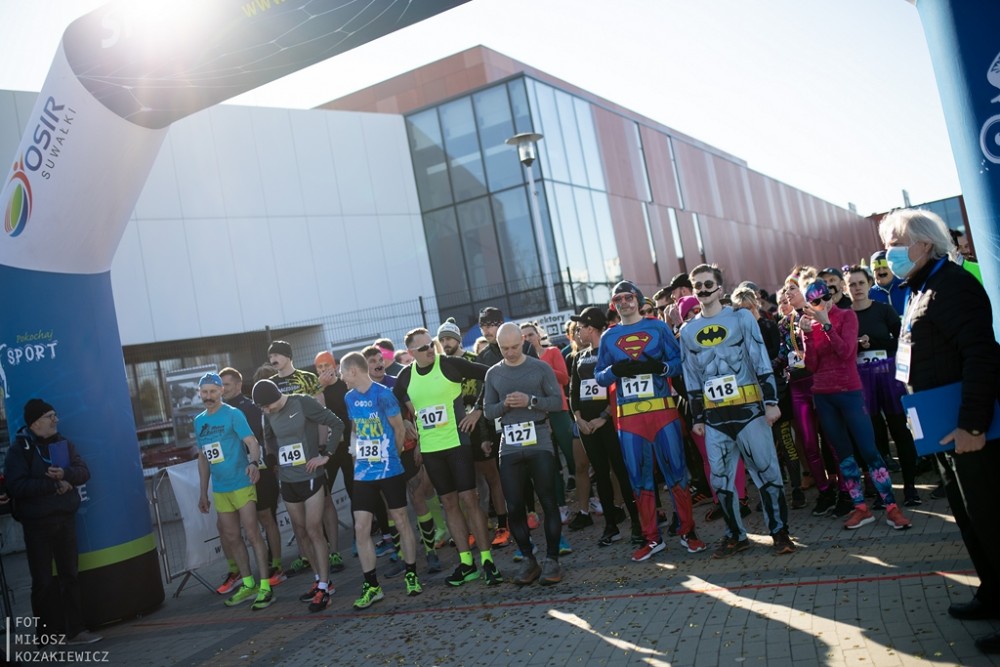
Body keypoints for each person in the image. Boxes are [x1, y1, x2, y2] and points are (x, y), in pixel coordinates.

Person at [879, 209, 1000, 654]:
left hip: (968, 430)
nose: (888, 252)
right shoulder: (917, 288)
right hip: (940, 427)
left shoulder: (953, 285)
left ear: (925, 244)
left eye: (895, 242)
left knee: (993, 519)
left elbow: (981, 356)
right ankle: (993, 593)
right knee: (970, 519)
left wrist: (973, 424)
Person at [679, 265, 794, 557]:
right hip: (716, 418)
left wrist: (771, 402)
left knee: (767, 472)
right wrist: (697, 417)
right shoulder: (688, 331)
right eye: (698, 285)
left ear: (719, 288)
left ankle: (779, 533)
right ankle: (735, 535)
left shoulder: (741, 318)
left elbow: (760, 359)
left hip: (750, 411)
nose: (703, 290)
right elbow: (691, 376)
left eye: (708, 284)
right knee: (720, 480)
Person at [595, 280, 706, 562]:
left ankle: (688, 532)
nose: (624, 302)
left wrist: (660, 367)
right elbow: (599, 376)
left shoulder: (657, 328)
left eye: (628, 297)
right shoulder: (609, 337)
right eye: (618, 299)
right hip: (630, 420)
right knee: (639, 478)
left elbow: (679, 362)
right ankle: (652, 538)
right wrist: (615, 371)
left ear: (638, 299)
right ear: (613, 305)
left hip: (663, 414)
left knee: (676, 473)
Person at [394, 327, 503, 586]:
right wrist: (405, 421)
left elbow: (492, 373)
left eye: (431, 344)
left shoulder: (449, 364)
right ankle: (466, 563)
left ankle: (487, 561)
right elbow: (393, 400)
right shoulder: (405, 376)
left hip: (457, 444)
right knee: (449, 503)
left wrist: (478, 410)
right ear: (411, 352)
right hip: (431, 450)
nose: (430, 350)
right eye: (423, 348)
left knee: (469, 500)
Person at [800, 279, 912, 531]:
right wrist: (807, 335)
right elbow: (811, 365)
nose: (822, 304)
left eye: (826, 297)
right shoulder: (809, 325)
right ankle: (861, 507)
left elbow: (846, 352)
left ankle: (891, 507)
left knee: (869, 450)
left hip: (850, 392)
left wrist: (827, 325)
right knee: (844, 455)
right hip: (824, 396)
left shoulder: (846, 316)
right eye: (815, 301)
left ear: (832, 296)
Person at [6, 399, 102, 644]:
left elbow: (84, 471)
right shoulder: (19, 450)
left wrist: (66, 474)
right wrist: (52, 484)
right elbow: (15, 486)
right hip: (37, 525)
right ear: (36, 422)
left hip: (65, 519)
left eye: (55, 415)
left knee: (70, 576)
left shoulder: (63, 443)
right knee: (43, 582)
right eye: (50, 416)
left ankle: (76, 630)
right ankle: (46, 637)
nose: (56, 419)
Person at [483, 323, 566, 585]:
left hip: (539, 439)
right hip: (509, 443)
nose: (510, 352)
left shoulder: (540, 367)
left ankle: (552, 559)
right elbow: (488, 411)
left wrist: (531, 401)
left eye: (514, 347)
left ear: (523, 341)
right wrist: (504, 404)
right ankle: (529, 559)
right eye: (504, 348)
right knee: (514, 506)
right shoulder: (493, 373)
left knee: (548, 500)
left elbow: (557, 402)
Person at [252, 378, 345, 612]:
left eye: (267, 406)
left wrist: (326, 455)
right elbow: (268, 439)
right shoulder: (267, 414)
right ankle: (319, 580)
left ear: (275, 397)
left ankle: (324, 587)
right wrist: (273, 460)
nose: (266, 411)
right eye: (262, 408)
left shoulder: (302, 402)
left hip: (311, 475)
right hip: (287, 480)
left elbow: (337, 423)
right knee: (301, 531)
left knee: (314, 529)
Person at [339, 352, 423, 608]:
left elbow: (399, 429)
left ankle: (411, 574)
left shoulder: (384, 395)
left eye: (343, 372)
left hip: (389, 469)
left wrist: (392, 456)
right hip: (364, 472)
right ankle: (372, 585)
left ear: (353, 371)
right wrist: (356, 456)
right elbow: (355, 428)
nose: (341, 377)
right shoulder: (349, 397)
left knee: (401, 520)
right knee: (361, 527)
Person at [194, 373, 273, 609]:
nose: (208, 396)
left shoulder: (233, 413)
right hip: (220, 488)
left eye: (213, 391)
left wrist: (254, 463)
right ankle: (248, 584)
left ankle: (265, 586)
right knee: (231, 537)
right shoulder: (198, 421)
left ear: (221, 391)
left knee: (252, 534)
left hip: (241, 483)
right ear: (199, 393)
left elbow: (252, 442)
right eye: (204, 392)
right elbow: (203, 457)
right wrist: (203, 492)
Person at [267, 341, 345, 575]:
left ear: (289, 356)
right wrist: (275, 457)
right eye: (270, 356)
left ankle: (334, 551)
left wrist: (322, 448)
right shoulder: (271, 384)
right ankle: (305, 555)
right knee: (296, 510)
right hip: (289, 459)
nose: (273, 359)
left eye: (278, 355)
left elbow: (321, 414)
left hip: (312, 450)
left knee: (326, 500)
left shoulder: (308, 378)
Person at [845, 267, 920, 505]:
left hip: (888, 378)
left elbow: (901, 341)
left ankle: (910, 488)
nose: (857, 288)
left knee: (900, 432)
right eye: (852, 284)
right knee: (874, 437)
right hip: (861, 382)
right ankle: (883, 492)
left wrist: (875, 342)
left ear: (869, 284)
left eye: (860, 283)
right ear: (847, 288)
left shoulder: (884, 310)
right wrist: (856, 344)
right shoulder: (845, 316)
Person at [569, 306, 640, 546]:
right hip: (586, 426)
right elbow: (573, 391)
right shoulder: (579, 357)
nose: (577, 333)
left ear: (591, 328)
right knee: (600, 474)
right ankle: (611, 526)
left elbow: (620, 386)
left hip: (609, 422)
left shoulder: (611, 351)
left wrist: (604, 417)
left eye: (580, 328)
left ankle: (638, 523)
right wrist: (578, 419)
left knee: (620, 470)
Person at [438, 317, 510, 549]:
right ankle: (472, 529)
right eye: (442, 339)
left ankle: (503, 524)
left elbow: (489, 384)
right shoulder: (439, 365)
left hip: (479, 427)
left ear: (458, 340)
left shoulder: (472, 359)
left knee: (491, 476)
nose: (446, 343)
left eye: (449, 338)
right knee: (465, 486)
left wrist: (478, 411)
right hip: (453, 431)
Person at [217, 367, 285, 593]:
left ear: (238, 385)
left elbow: (262, 437)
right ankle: (237, 571)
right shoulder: (218, 411)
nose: (223, 389)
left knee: (266, 517)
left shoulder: (251, 407)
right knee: (227, 527)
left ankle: (276, 566)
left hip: (260, 470)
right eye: (220, 385)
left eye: (227, 385)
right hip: (233, 476)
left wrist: (267, 461)